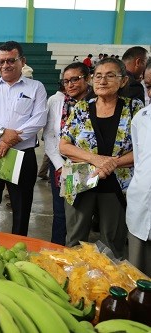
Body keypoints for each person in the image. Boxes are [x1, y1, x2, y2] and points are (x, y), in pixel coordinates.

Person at [59, 57, 144, 258]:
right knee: (74, 240)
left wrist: (113, 162)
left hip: (117, 184)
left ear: (123, 81)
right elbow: (64, 145)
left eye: (110, 76)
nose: (102, 81)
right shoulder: (81, 108)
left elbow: (144, 149)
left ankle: (108, 286)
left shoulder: (134, 108)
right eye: (98, 76)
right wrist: (95, 159)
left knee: (112, 243)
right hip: (79, 182)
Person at [0, 40, 48, 236]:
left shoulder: (36, 87)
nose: (5, 65)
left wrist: (7, 141)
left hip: (22, 155)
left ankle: (18, 249)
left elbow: (38, 119)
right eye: (1, 62)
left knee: (21, 207)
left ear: (22, 61)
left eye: (10, 60)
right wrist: (1, 132)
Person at [43, 62, 92, 245]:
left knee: (81, 212)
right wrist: (59, 166)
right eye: (66, 81)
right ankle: (57, 249)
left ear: (87, 79)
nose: (70, 85)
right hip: (60, 163)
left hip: (86, 164)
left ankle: (79, 253)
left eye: (75, 79)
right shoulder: (55, 101)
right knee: (61, 212)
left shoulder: (95, 102)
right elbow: (49, 135)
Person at [126, 92, 151, 276]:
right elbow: (139, 159)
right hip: (140, 205)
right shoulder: (142, 117)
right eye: (149, 86)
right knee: (137, 276)